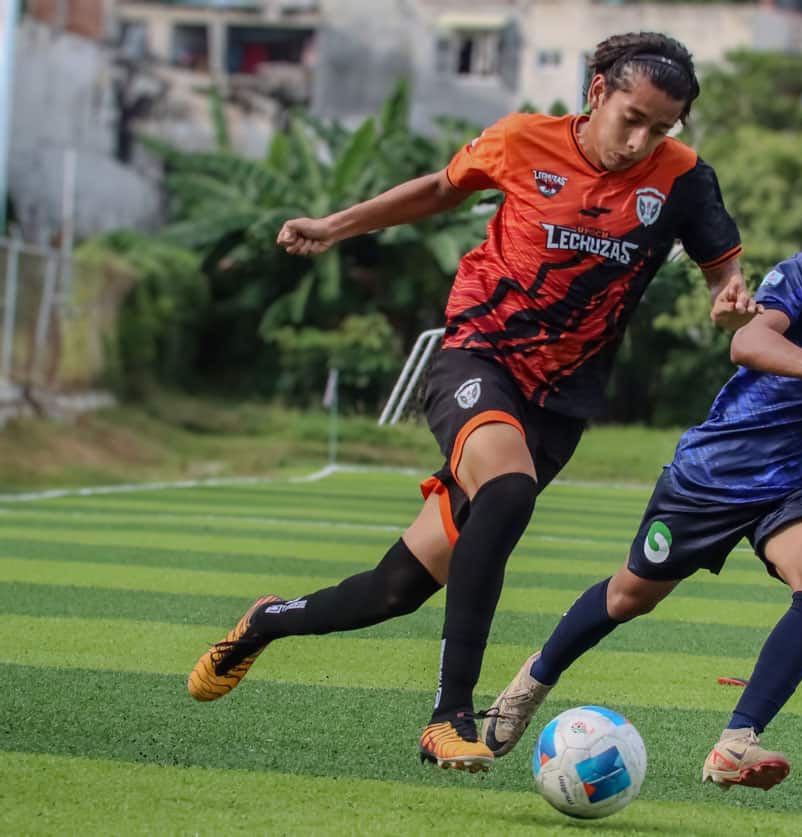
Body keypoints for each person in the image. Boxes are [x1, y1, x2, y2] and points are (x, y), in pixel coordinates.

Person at [186, 32, 760, 774]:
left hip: (561, 405)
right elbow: (438, 189)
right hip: (478, 357)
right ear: (597, 92)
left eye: (660, 127)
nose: (640, 140)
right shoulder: (523, 139)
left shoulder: (682, 177)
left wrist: (729, 300)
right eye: (632, 118)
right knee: (508, 488)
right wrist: (333, 226)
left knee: (393, 590)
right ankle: (450, 715)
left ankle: (268, 620)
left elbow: (723, 273)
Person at [482, 146, 802, 791]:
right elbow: (748, 341)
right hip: (717, 473)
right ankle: (533, 680)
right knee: (630, 596)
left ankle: (736, 742)